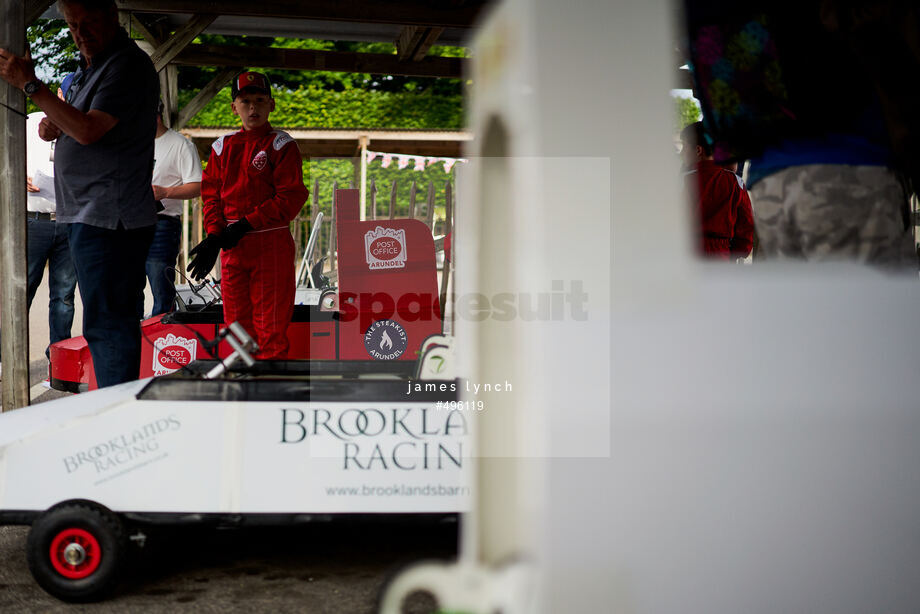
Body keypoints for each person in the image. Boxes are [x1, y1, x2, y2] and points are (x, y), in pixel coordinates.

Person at [684, 0, 917, 268]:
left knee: (800, 306)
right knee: (875, 306)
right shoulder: (729, 182)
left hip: (769, 179)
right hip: (850, 171)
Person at [0, 0, 159, 388]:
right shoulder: (90, 69)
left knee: (109, 327)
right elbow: (79, 124)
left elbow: (89, 130)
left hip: (109, 217)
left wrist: (31, 86)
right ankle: (114, 410)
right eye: (72, 26)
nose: (80, 34)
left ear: (114, 18)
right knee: (104, 324)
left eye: (88, 23)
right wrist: (57, 124)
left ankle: (116, 419)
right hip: (88, 215)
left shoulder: (126, 64)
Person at [187, 72, 308, 359]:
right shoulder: (221, 147)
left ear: (271, 105)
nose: (253, 108)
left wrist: (243, 225)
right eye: (245, 101)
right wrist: (215, 235)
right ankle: (243, 386)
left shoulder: (282, 145)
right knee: (236, 323)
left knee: (271, 326)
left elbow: (290, 197)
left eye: (260, 100)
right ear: (234, 107)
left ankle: (268, 392)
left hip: (270, 246)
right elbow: (211, 196)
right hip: (232, 248)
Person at [140, 101, 202, 317]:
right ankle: (133, 344)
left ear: (156, 116)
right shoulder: (132, 141)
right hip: (129, 223)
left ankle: (161, 342)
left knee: (161, 288)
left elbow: (197, 186)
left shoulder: (181, 145)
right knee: (127, 288)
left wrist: (165, 192)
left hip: (162, 223)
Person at [680, 121, 754, 260]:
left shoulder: (682, 182)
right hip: (722, 255)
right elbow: (746, 225)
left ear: (698, 150)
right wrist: (736, 254)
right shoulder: (736, 182)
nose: (682, 152)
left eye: (685, 146)